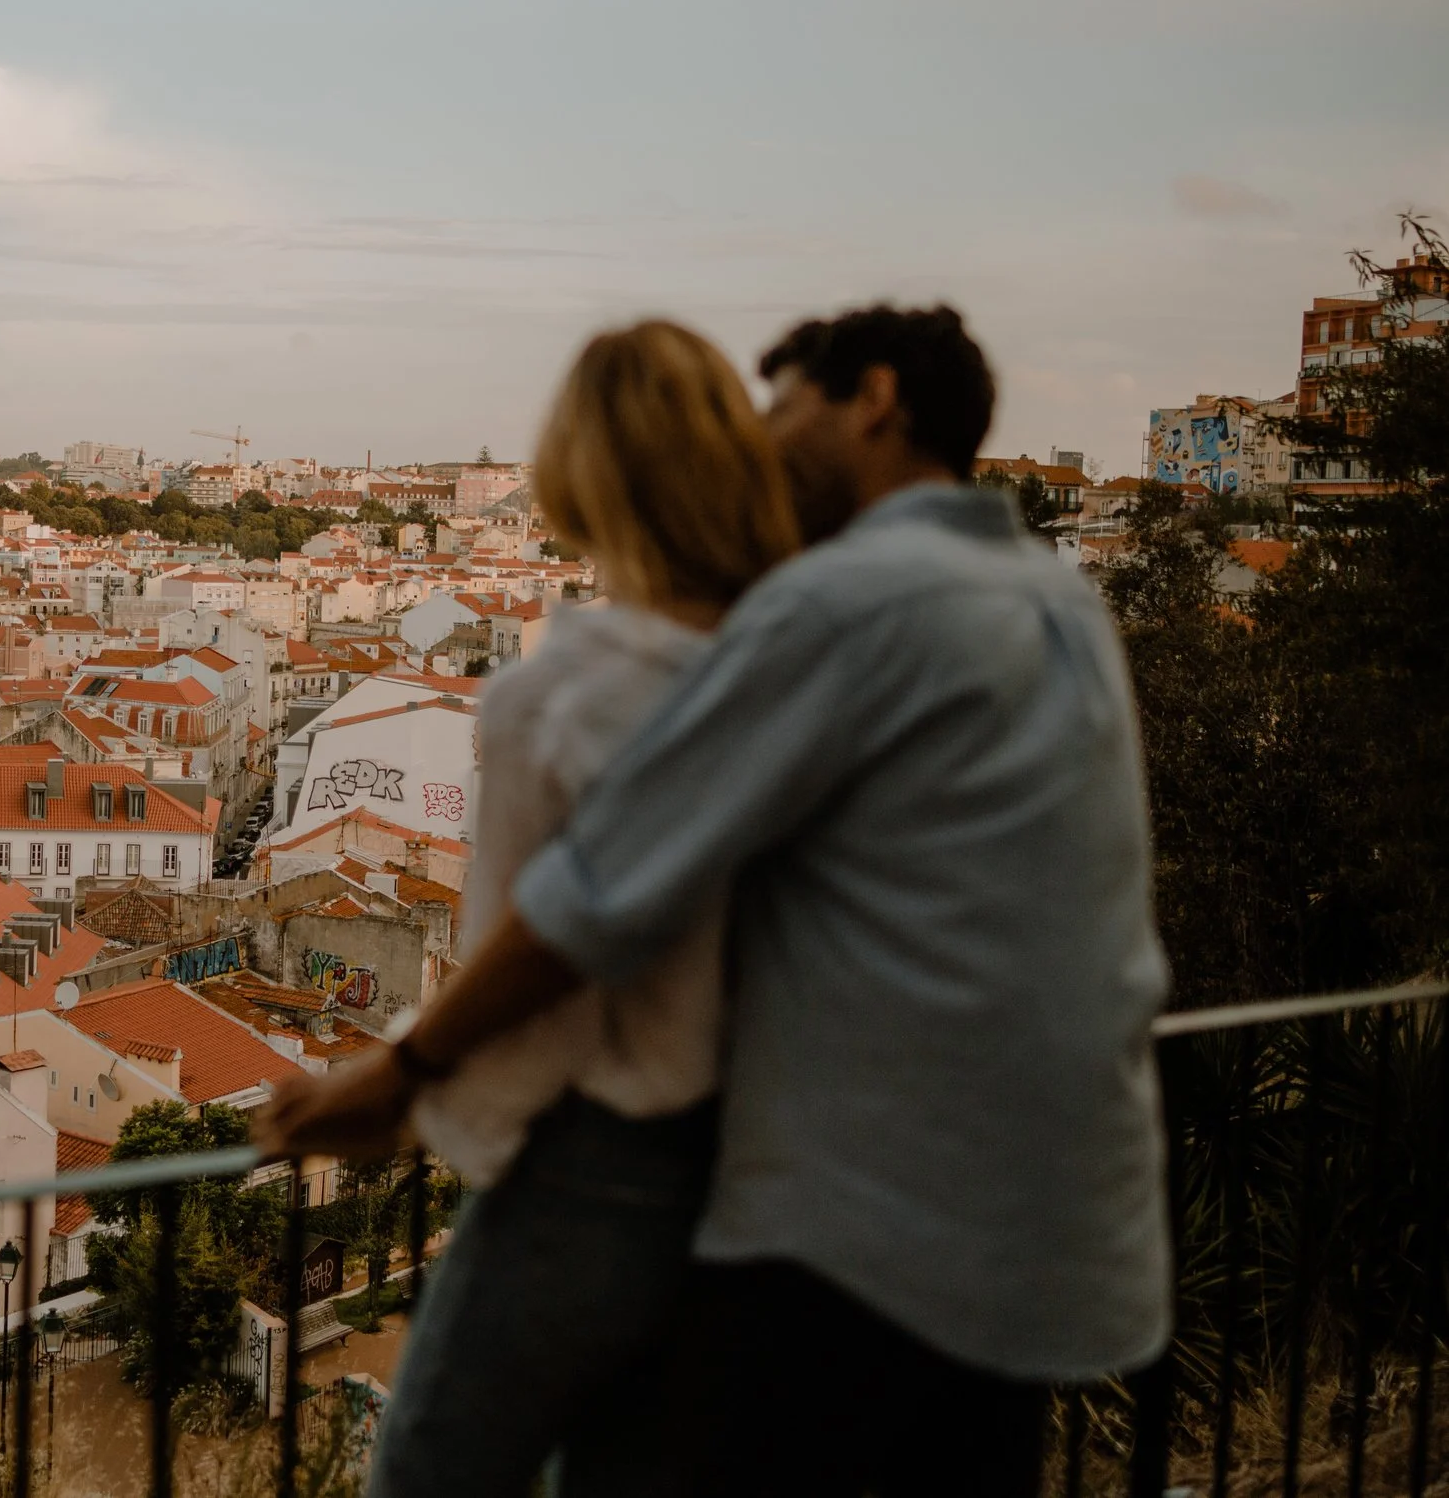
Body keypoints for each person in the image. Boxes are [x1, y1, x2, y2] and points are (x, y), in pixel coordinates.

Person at [258, 304, 1171, 1498]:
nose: (759, 438)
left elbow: (603, 890)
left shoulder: (849, 600)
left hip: (880, 1220)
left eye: (780, 404)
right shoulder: (1056, 600)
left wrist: (406, 1072)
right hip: (1067, 1213)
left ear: (874, 399)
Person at [368, 320, 801, 1498]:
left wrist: (442, 1129)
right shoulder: (810, 678)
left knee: (431, 1473)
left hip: (593, 1160)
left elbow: (532, 979)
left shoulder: (552, 698)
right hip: (777, 1171)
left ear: (576, 476)